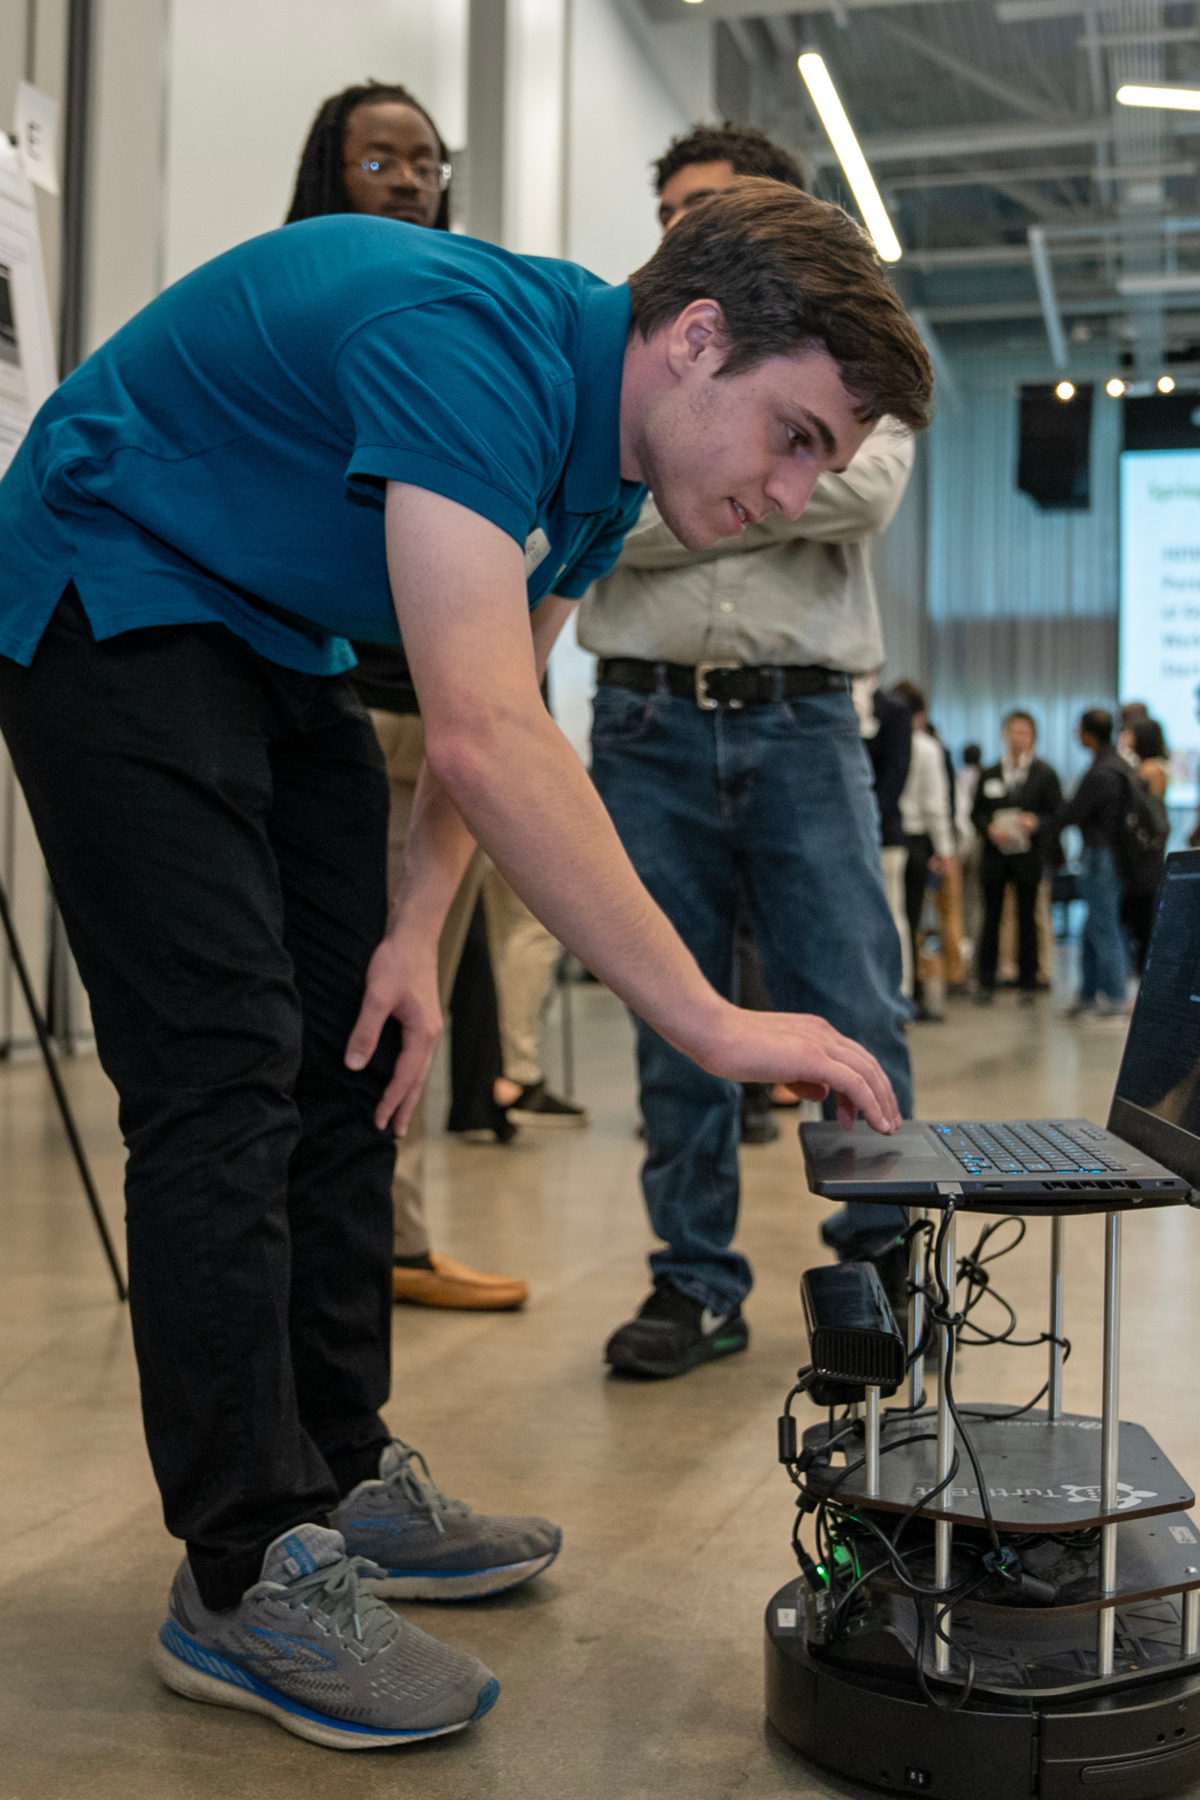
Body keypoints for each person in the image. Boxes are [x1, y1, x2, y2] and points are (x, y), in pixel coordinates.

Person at [0, 177, 927, 1747]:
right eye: (797, 435)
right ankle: (240, 1570)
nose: (796, 488)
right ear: (697, 339)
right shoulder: (476, 354)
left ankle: (343, 1472)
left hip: (270, 633)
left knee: (358, 1042)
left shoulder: (601, 472)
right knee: (221, 1072)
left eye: (822, 462)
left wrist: (413, 944)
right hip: (113, 590)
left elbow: (469, 715)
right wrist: (708, 1016)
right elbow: (496, 745)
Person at [578, 127, 918, 1381]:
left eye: (709, 206)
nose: (682, 226)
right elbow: (594, 528)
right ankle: (694, 1283)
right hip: (645, 717)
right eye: (668, 206)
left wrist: (681, 479)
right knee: (669, 1014)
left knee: (854, 1001)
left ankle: (884, 1278)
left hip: (803, 715)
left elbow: (866, 491)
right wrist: (716, 478)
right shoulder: (619, 347)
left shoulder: (854, 341)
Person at [288, 80, 527, 1310]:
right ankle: (384, 1234)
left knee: (423, 974)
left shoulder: (465, 322)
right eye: (382, 159)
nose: (411, 180)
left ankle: (394, 1230)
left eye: (427, 160)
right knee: (374, 982)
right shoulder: (319, 304)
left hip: (440, 717)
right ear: (331, 168)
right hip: (344, 706)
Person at [970, 710, 1063, 1007]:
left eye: (1024, 733)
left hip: (1028, 857)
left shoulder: (1044, 773)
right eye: (1013, 732)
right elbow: (975, 813)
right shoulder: (990, 772)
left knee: (1027, 918)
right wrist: (988, 829)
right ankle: (986, 979)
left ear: (1033, 737)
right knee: (992, 917)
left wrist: (1036, 823)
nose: (1018, 738)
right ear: (1004, 734)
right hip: (996, 857)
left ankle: (1028, 981)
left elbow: (1058, 814)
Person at [1058, 708, 1129, 1017]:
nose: (1076, 735)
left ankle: (1115, 998)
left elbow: (1074, 812)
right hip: (1107, 856)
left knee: (1103, 927)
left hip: (1100, 857)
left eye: (1079, 729)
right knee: (1092, 928)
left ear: (1088, 733)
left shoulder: (1102, 771)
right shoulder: (1117, 765)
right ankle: (1088, 995)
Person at [893, 681, 955, 1023]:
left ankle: (894, 993)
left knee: (891, 920)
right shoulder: (927, 747)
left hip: (885, 839)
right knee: (912, 921)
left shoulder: (880, 740)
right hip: (916, 842)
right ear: (921, 714)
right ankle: (911, 995)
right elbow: (936, 804)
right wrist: (945, 849)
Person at [853, 670, 912, 995]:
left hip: (883, 833)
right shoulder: (827, 703)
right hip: (838, 839)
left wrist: (865, 816)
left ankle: (899, 992)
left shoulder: (893, 709)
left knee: (891, 913)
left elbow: (896, 775)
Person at [1121, 718, 1170, 974]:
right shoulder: (1155, 765)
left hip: (1145, 857)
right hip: (1150, 856)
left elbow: (1143, 809)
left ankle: (1140, 974)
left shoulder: (1149, 769)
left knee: (1141, 918)